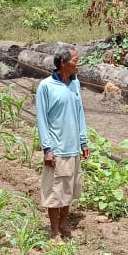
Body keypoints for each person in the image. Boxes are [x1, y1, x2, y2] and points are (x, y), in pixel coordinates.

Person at [36, 44, 90, 237]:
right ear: (63, 63)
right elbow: (41, 119)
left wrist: (83, 142)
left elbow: (80, 113)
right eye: (75, 61)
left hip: (73, 147)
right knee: (54, 192)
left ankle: (64, 225)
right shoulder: (46, 87)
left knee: (70, 189)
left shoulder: (75, 83)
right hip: (57, 149)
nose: (78, 64)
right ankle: (54, 231)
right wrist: (47, 149)